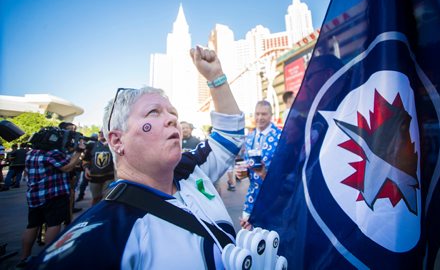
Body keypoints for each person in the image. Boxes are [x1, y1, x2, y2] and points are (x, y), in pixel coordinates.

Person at [27, 46, 245, 269]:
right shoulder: (102, 235)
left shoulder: (191, 169)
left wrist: (215, 77)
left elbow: (229, 136)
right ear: (117, 141)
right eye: (154, 113)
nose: (172, 120)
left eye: (173, 114)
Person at [16, 129, 84, 267]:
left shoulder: (31, 153)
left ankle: (24, 258)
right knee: (53, 225)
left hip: (34, 196)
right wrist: (78, 151)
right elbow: (68, 167)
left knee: (32, 225)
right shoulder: (53, 153)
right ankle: (46, 257)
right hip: (54, 195)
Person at [236, 100, 282, 230]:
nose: (260, 118)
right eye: (257, 114)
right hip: (251, 199)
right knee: (250, 238)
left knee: (269, 241)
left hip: (273, 200)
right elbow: (247, 165)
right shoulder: (249, 137)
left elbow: (286, 172)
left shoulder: (281, 137)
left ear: (271, 115)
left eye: (264, 114)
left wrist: (264, 174)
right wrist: (242, 174)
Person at [81, 130, 115, 205]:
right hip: (94, 177)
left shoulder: (113, 145)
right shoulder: (92, 145)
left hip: (109, 177)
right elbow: (86, 159)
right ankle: (94, 214)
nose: (101, 134)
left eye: (103, 132)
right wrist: (86, 169)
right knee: (96, 197)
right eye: (100, 132)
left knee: (107, 198)